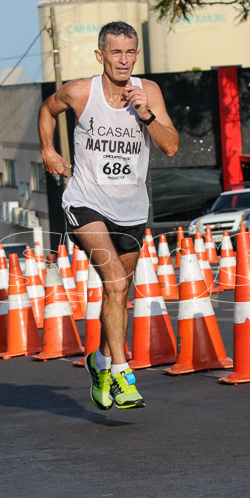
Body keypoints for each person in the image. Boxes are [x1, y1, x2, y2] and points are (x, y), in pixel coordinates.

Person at [39, 21, 178, 410]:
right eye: (115, 52)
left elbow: (170, 147)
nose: (123, 60)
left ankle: (99, 362)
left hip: (132, 210)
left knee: (119, 295)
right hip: (86, 202)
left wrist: (147, 115)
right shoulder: (80, 92)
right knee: (115, 282)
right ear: (101, 55)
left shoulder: (148, 92)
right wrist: (49, 151)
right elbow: (47, 110)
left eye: (130, 52)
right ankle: (121, 373)